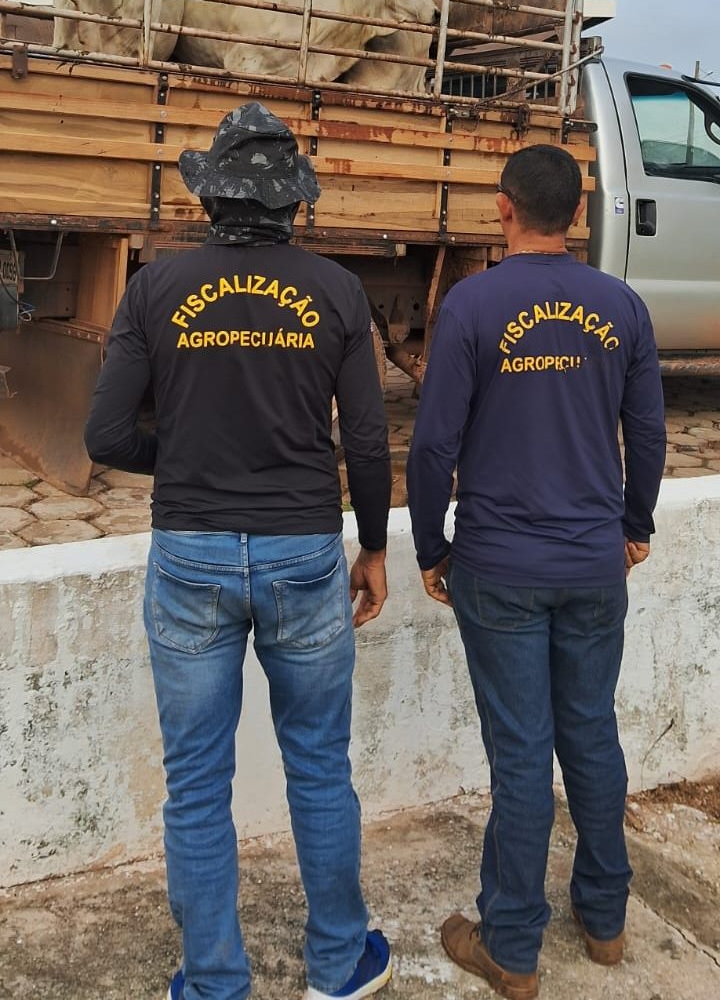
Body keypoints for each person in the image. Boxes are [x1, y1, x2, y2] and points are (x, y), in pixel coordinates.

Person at [84, 103, 393, 1000]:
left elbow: (105, 435)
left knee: (195, 783)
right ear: (292, 202)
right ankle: (339, 964)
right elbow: (366, 443)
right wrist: (374, 547)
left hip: (190, 556)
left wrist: (180, 461)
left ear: (211, 197)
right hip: (304, 554)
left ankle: (215, 982)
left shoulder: (155, 289)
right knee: (320, 767)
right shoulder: (337, 291)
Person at [406, 144, 666, 1000]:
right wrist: (633, 525)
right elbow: (649, 433)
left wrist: (431, 547)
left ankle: (512, 947)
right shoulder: (621, 305)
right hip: (593, 563)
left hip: (501, 567)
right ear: (579, 214)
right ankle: (605, 920)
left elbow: (434, 444)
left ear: (503, 207)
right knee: (590, 731)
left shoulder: (472, 305)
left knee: (521, 752)